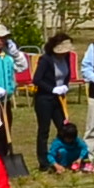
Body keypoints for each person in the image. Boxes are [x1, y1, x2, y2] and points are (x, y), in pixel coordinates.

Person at [30, 30, 76, 171]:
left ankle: (63, 157)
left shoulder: (67, 58)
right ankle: (44, 162)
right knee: (44, 130)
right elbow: (37, 79)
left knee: (63, 127)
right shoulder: (46, 60)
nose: (64, 54)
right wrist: (52, 89)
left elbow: (66, 75)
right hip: (44, 99)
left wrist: (64, 87)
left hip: (59, 99)